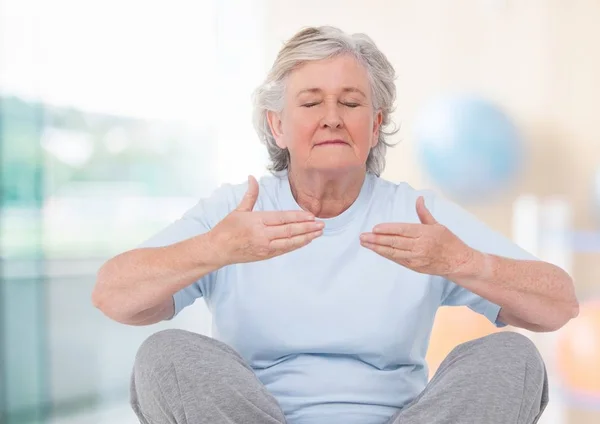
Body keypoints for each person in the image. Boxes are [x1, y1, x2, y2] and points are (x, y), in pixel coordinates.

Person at [92, 26, 579, 424]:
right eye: (310, 103)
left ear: (375, 123)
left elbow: (558, 304)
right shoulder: (237, 211)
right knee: (164, 354)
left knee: (514, 358)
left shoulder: (418, 215)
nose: (332, 118)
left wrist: (463, 261)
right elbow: (113, 295)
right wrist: (214, 249)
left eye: (350, 103)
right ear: (277, 125)